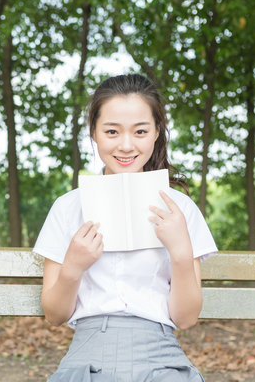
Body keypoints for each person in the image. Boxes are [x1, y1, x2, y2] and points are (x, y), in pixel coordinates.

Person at [33, 74, 218, 381]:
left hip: (161, 355)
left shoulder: (180, 209)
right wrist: (73, 267)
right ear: (94, 132)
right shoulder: (67, 208)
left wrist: (181, 251)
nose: (126, 144)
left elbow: (185, 318)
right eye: (112, 131)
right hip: (87, 356)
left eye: (141, 131)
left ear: (157, 132)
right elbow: (54, 315)